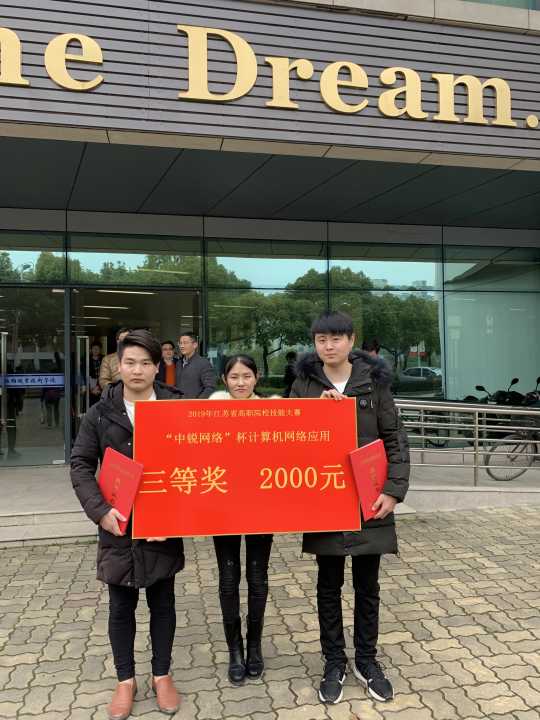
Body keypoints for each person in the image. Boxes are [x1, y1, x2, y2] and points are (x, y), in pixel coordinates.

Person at [290, 311, 410, 705]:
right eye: (322, 339)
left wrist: (393, 491)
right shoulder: (304, 384)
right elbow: (289, 439)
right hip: (325, 497)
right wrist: (317, 411)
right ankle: (333, 662)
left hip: (368, 497)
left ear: (351, 340)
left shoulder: (374, 382)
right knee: (328, 585)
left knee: (367, 585)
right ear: (315, 343)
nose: (329, 346)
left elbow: (394, 438)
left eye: (336, 338)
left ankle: (367, 660)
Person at [71, 330, 184, 720]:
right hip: (118, 522)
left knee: (163, 602)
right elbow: (81, 464)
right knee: (121, 606)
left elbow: (204, 452)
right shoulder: (101, 412)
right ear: (118, 365)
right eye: (130, 362)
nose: (137, 370)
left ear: (158, 367)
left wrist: (182, 512)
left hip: (163, 521)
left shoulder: (176, 407)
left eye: (146, 363)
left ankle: (162, 675)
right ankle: (125, 680)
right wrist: (100, 511)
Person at [209, 355, 275, 685]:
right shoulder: (210, 412)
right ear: (224, 379)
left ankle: (255, 647)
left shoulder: (272, 412)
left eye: (246, 376)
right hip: (223, 506)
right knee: (228, 578)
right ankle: (234, 650)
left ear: (256, 378)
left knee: (258, 577)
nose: (240, 383)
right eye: (234, 376)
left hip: (262, 506)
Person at [175, 331, 216, 399]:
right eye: (180, 343)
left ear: (195, 345)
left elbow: (210, 388)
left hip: (195, 404)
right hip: (180, 403)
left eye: (185, 343)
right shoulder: (178, 363)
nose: (182, 346)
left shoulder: (203, 363)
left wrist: (197, 403)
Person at [89, 341, 104, 406]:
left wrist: (99, 386)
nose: (95, 350)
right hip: (90, 387)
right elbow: (84, 375)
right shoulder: (86, 359)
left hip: (101, 386)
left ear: (100, 350)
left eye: (97, 349)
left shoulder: (104, 359)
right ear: (91, 349)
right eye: (94, 348)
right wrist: (91, 388)